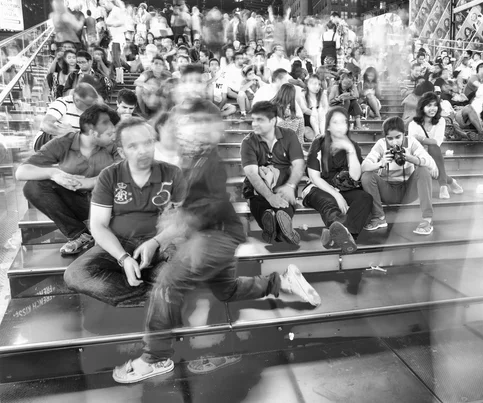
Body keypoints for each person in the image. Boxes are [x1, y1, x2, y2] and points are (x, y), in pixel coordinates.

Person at [111, 100, 320, 383]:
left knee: (167, 284)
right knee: (226, 290)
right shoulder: (193, 159)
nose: (181, 130)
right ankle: (281, 281)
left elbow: (204, 207)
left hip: (216, 235)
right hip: (218, 232)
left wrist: (170, 231)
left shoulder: (208, 161)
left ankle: (155, 357)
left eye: (188, 124)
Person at [63, 118, 187, 306]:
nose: (143, 151)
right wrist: (123, 258)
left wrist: (155, 242)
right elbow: (98, 225)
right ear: (121, 152)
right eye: (133, 146)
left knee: (190, 269)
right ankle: (150, 290)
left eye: (148, 143)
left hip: (162, 243)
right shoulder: (110, 176)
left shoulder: (172, 173)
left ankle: (141, 280)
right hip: (120, 243)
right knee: (75, 274)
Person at [16, 104, 120, 256]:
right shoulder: (63, 143)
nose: (114, 135)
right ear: (93, 131)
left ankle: (106, 231)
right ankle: (80, 235)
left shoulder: (114, 145)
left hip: (106, 204)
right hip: (77, 203)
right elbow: (21, 172)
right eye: (109, 131)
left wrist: (90, 182)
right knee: (33, 187)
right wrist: (54, 173)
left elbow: (124, 170)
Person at [303, 107, 373, 254]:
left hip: (344, 188)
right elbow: (314, 177)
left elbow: (355, 177)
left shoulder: (353, 146)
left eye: (344, 122)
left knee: (365, 198)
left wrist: (350, 150)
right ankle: (345, 234)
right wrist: (337, 195)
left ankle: (340, 236)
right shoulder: (319, 142)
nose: (341, 126)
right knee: (329, 201)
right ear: (328, 126)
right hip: (318, 187)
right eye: (336, 122)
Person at [241, 101, 305, 245]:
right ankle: (277, 229)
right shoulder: (248, 142)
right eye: (253, 120)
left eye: (260, 120)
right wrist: (270, 197)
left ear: (273, 120)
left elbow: (299, 164)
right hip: (259, 185)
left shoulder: (289, 136)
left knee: (284, 200)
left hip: (282, 183)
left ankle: (277, 231)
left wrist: (290, 186)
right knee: (259, 200)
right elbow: (252, 174)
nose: (254, 124)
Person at [361, 117, 437, 234]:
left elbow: (429, 162)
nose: (394, 142)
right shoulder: (381, 144)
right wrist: (380, 163)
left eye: (398, 137)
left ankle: (427, 219)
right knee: (367, 176)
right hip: (388, 191)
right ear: (385, 137)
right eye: (390, 139)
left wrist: (411, 158)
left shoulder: (411, 142)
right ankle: (379, 218)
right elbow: (364, 166)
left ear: (404, 134)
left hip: (408, 191)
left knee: (423, 170)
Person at [408, 92, 463, 199]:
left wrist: (421, 139)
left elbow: (436, 142)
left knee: (434, 147)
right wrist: (427, 146)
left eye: (435, 105)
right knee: (432, 147)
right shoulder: (413, 124)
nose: (433, 109)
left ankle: (443, 186)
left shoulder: (440, 121)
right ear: (422, 107)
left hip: (434, 152)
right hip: (419, 154)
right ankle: (450, 181)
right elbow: (412, 143)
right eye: (429, 105)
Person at [34, 83, 99, 151]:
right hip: (45, 141)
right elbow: (45, 124)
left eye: (94, 104)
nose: (92, 108)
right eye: (89, 105)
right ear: (77, 100)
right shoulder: (63, 103)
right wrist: (64, 132)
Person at [301, 74, 328, 140]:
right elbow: (304, 109)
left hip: (321, 120)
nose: (317, 87)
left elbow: (326, 107)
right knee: (314, 110)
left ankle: (322, 133)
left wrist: (320, 113)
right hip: (308, 122)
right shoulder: (303, 94)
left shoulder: (322, 94)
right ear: (307, 84)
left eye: (319, 84)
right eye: (314, 84)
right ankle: (317, 134)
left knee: (321, 109)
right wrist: (314, 112)